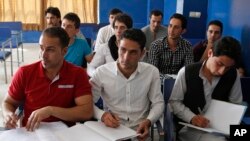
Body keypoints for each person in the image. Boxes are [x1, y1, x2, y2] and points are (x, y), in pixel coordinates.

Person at [1, 27, 93, 131]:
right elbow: (8, 102)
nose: (43, 55)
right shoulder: (24, 73)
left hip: (64, 134)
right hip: (31, 133)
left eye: (50, 50)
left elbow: (86, 112)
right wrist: (8, 114)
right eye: (41, 48)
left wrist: (51, 110)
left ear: (64, 51)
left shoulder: (78, 74)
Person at [90, 28, 164, 140]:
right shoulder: (101, 72)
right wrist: (103, 116)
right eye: (123, 50)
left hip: (139, 130)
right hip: (112, 129)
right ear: (118, 46)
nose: (126, 57)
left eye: (133, 52)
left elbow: (158, 102)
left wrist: (149, 121)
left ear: (142, 53)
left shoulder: (151, 72)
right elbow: (87, 104)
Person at [169, 36, 243, 141]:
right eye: (219, 64)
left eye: (227, 67)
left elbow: (235, 103)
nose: (222, 71)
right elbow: (174, 102)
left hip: (220, 127)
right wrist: (192, 118)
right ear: (210, 53)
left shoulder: (233, 74)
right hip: (190, 127)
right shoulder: (187, 72)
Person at [147, 13, 194, 81]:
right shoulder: (156, 45)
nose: (171, 30)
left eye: (176, 27)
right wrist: (169, 80)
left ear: (183, 31)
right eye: (170, 26)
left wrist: (177, 80)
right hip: (158, 83)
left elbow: (187, 70)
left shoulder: (187, 46)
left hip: (180, 83)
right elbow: (153, 71)